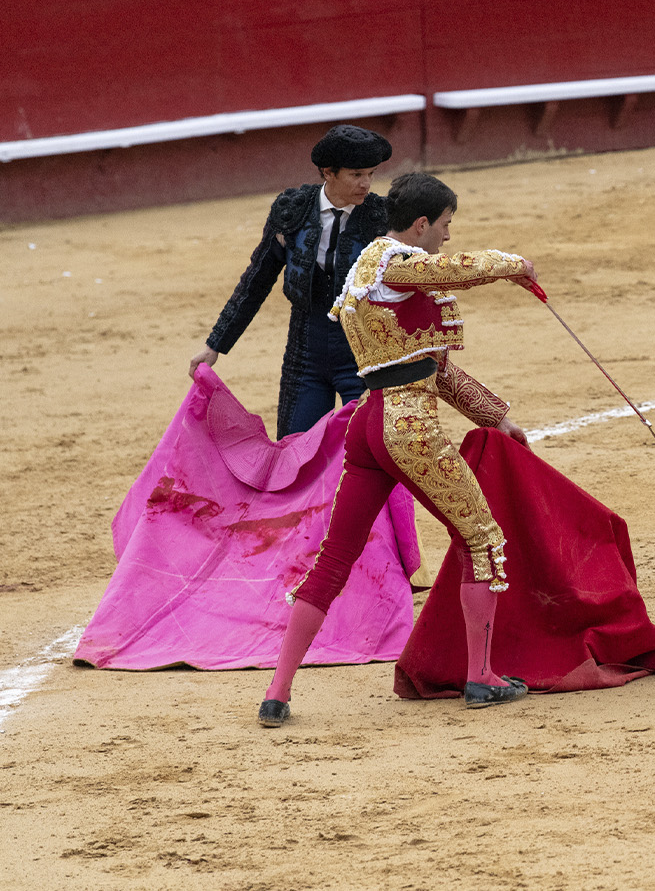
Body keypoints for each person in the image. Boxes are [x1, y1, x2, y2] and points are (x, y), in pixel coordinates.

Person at [258, 171, 538, 727]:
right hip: (407, 427)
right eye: (445, 224)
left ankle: (277, 693)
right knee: (483, 540)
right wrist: (515, 264)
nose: (447, 237)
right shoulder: (396, 263)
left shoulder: (370, 268)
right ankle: (481, 677)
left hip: (369, 422)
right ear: (421, 223)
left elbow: (433, 369)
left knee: (334, 558)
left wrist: (496, 417)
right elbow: (453, 269)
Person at [189, 124, 393, 438]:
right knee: (295, 451)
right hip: (305, 352)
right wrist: (215, 344)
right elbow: (256, 280)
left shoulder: (383, 217)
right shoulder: (292, 211)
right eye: (356, 175)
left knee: (370, 450)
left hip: (366, 353)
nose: (366, 183)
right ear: (328, 172)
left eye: (371, 174)